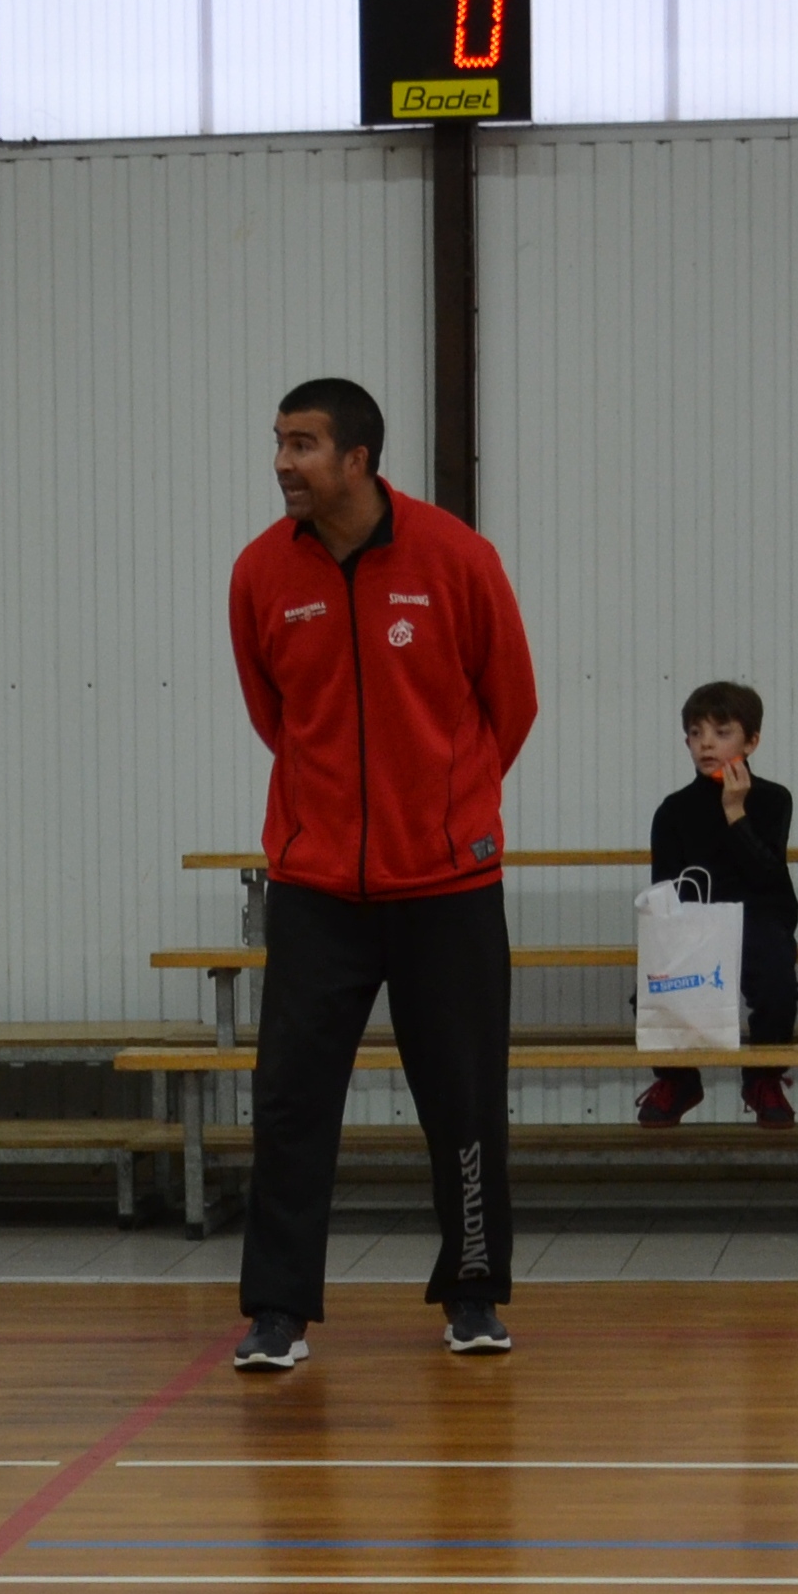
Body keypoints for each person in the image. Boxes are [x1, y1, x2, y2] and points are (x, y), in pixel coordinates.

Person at [223, 376, 538, 1371]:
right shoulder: (260, 575)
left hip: (446, 886)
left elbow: (511, 704)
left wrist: (444, 812)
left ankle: (474, 1292)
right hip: (318, 890)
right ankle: (278, 1311)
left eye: (304, 444)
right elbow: (275, 716)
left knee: (464, 1099)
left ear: (359, 457)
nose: (284, 462)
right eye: (280, 441)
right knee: (290, 1100)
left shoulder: (456, 559)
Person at [637, 678, 798, 1130]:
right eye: (696, 733)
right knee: (651, 986)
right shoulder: (672, 811)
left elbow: (767, 875)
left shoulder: (771, 800)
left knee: (776, 983)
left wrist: (735, 811)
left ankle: (763, 1079)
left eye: (721, 732)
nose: (706, 743)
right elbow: (666, 887)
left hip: (759, 915)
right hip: (695, 921)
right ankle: (679, 1080)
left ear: (752, 741)